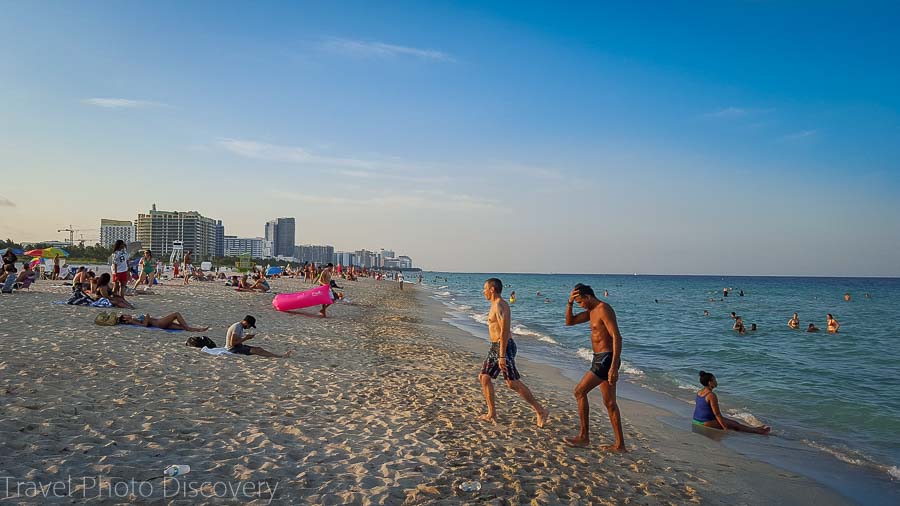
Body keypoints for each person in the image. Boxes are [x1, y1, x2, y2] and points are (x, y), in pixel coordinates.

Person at [564, 283, 626, 452]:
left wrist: (613, 366)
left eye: (580, 302)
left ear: (588, 297)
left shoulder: (603, 309)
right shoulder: (591, 312)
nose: (580, 305)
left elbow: (617, 337)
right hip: (599, 358)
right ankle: (620, 445)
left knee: (579, 392)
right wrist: (569, 303)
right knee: (610, 403)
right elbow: (569, 322)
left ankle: (584, 437)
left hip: (606, 359)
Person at [478, 278, 549, 427]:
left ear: (492, 289)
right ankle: (492, 413)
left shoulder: (500, 306)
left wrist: (502, 355)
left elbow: (504, 332)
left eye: (485, 288)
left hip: (504, 346)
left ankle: (540, 410)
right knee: (484, 377)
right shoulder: (494, 305)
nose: (483, 291)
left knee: (512, 383)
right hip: (495, 346)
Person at [693, 371, 770, 434]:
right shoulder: (711, 395)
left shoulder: (700, 392)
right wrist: (725, 427)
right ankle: (758, 431)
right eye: (715, 379)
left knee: (734, 422)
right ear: (710, 383)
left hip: (696, 420)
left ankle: (755, 429)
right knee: (735, 425)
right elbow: (717, 414)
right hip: (704, 422)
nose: (716, 381)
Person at [225, 315, 291, 358]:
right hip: (232, 349)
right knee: (256, 350)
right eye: (250, 326)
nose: (249, 327)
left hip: (238, 347)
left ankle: (278, 356)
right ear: (246, 322)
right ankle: (279, 356)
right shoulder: (237, 327)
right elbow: (232, 343)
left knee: (259, 349)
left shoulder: (239, 326)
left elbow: (237, 341)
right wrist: (246, 338)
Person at [118, 312, 209, 332]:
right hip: (159, 323)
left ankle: (197, 329)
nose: (128, 314)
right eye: (125, 315)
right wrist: (147, 317)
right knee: (176, 314)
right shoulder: (132, 321)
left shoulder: (133, 319)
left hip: (159, 323)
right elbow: (144, 325)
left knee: (182, 328)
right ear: (125, 319)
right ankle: (190, 328)